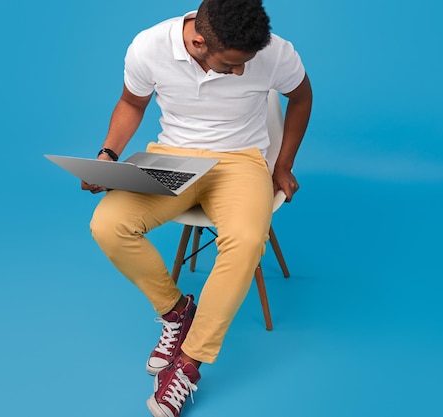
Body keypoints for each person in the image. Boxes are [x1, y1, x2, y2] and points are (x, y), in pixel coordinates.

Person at [85, 0, 312, 416]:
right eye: (231, 64)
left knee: (245, 242)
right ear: (199, 41)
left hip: (239, 160)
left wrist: (283, 165)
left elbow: (301, 97)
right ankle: (177, 311)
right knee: (108, 224)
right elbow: (132, 104)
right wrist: (107, 156)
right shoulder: (149, 46)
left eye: (245, 64)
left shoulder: (274, 50)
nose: (241, 72)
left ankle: (189, 363)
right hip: (172, 157)